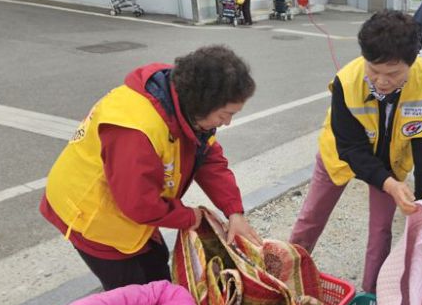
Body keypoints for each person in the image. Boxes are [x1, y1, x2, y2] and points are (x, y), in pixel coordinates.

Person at [40, 45, 261, 290]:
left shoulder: (185, 99)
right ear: (203, 103)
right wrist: (189, 217)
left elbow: (208, 158)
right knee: (133, 291)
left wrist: (234, 212)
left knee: (156, 266)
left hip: (131, 198)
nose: (227, 123)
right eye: (224, 115)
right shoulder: (136, 131)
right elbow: (139, 204)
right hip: (93, 213)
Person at [290, 10, 422, 293]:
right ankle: (285, 275)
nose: (381, 81)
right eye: (373, 70)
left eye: (393, 74)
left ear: (412, 63)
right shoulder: (346, 82)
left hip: (392, 162)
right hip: (339, 155)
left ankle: (371, 295)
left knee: (381, 231)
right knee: (311, 216)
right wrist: (387, 183)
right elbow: (351, 146)